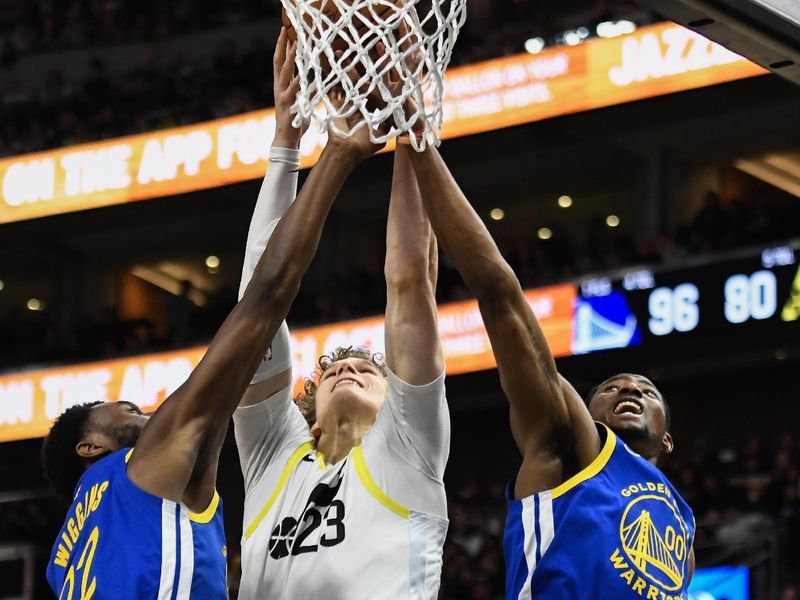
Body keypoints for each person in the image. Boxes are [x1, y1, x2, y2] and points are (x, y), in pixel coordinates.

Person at [41, 30, 383, 599]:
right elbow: (265, 297)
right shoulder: (143, 468)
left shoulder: (63, 560)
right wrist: (338, 155)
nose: (151, 410)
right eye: (127, 410)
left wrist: (286, 144)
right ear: (91, 447)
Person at [405, 144, 696, 599]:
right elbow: (501, 295)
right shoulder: (571, 441)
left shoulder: (683, 524)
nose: (629, 390)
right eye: (612, 387)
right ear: (586, 409)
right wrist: (421, 148)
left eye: (647, 390)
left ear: (667, 441)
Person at [232, 105, 450, 599]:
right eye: (333, 370)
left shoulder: (408, 442)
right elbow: (257, 301)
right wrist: (285, 145)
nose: (348, 367)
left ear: (397, 400)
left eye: (370, 370)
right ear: (309, 415)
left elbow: (411, 282)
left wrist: (411, 128)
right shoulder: (273, 457)